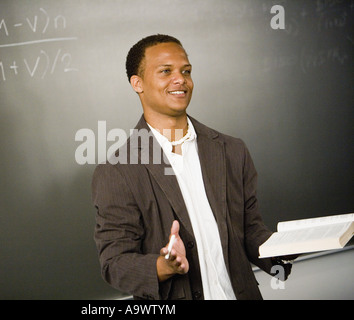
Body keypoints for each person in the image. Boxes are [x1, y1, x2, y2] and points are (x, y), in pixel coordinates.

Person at [92, 34, 294, 300]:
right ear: (137, 83)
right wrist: (164, 266)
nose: (180, 80)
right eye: (166, 71)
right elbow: (115, 264)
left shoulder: (232, 151)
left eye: (185, 71)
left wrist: (285, 250)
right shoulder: (117, 171)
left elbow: (250, 231)